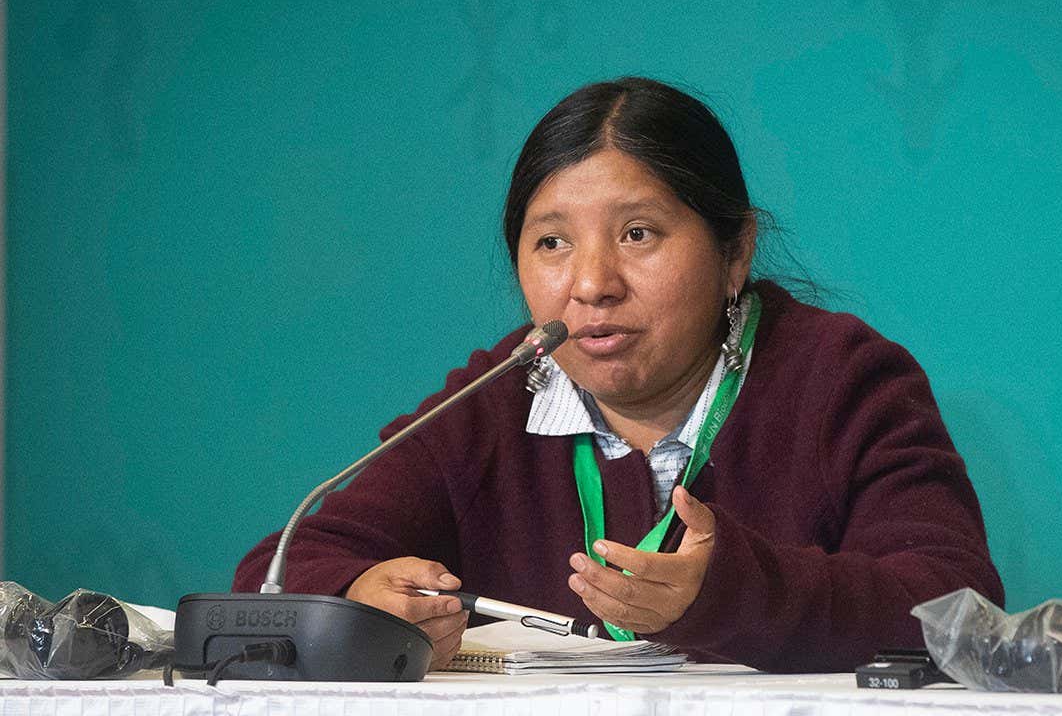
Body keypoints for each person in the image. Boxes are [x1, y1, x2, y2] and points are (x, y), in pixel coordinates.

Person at [233, 77, 1003, 672]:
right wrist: (358, 603)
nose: (592, 283)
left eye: (638, 233)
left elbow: (956, 607)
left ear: (735, 253)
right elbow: (278, 569)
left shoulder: (841, 379)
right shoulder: (498, 395)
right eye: (552, 244)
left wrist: (737, 590)